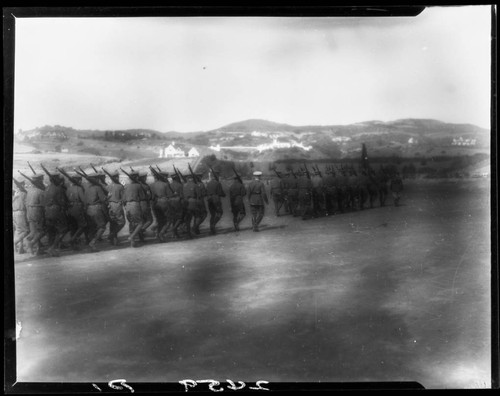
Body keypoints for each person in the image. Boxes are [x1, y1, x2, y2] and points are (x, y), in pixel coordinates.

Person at [43, 172, 69, 256]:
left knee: (51, 231)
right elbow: (62, 202)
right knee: (63, 229)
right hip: (56, 211)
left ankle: (51, 247)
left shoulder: (46, 188)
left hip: (47, 212)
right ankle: (53, 248)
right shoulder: (59, 189)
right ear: (55, 180)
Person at [84, 173, 109, 251]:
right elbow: (103, 199)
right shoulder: (98, 188)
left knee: (92, 227)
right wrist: (109, 197)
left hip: (88, 209)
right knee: (102, 227)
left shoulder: (87, 188)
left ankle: (90, 243)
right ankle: (93, 242)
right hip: (96, 209)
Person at [24, 173, 47, 256]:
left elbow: (26, 203)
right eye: (42, 180)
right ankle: (31, 243)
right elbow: (43, 205)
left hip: (29, 212)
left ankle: (37, 249)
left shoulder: (29, 191)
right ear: (40, 181)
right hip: (37, 211)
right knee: (42, 231)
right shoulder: (40, 192)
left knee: (33, 231)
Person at [65, 172, 88, 250]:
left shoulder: (68, 189)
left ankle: (74, 245)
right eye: (80, 180)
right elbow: (84, 200)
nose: (81, 181)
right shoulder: (79, 188)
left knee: (73, 227)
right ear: (78, 180)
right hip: (78, 207)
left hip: (70, 208)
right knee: (83, 225)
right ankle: (73, 239)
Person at [123, 170, 145, 247]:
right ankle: (131, 237)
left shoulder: (126, 186)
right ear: (136, 177)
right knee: (140, 223)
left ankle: (132, 242)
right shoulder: (138, 186)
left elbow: (123, 199)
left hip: (127, 206)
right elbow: (142, 197)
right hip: (135, 205)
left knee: (131, 224)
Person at [149, 170, 171, 242]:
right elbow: (169, 195)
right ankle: (161, 233)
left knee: (159, 220)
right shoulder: (165, 184)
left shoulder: (151, 185)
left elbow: (151, 197)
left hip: (155, 203)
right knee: (168, 220)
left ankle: (158, 235)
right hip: (164, 202)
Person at [106, 170, 126, 246]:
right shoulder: (120, 186)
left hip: (110, 205)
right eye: (117, 177)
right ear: (116, 177)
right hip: (117, 205)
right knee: (121, 222)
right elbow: (123, 198)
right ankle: (112, 235)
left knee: (113, 223)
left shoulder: (107, 186)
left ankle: (114, 240)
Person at [206, 169, 226, 235]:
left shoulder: (208, 183)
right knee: (220, 213)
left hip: (209, 199)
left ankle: (212, 229)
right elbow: (221, 193)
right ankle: (213, 225)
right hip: (216, 199)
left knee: (212, 215)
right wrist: (223, 194)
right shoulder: (218, 183)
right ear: (216, 176)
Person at [12, 180, 29, 254]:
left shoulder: (15, 193)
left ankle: (20, 248)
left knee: (19, 231)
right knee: (26, 231)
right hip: (21, 213)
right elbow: (26, 205)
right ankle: (15, 243)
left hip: (14, 213)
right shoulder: (23, 194)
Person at [182, 174, 200, 239]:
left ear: (187, 178)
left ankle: (189, 234)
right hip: (193, 202)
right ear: (192, 178)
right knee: (198, 217)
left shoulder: (184, 186)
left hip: (186, 203)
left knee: (188, 220)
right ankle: (193, 228)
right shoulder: (195, 185)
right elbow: (198, 195)